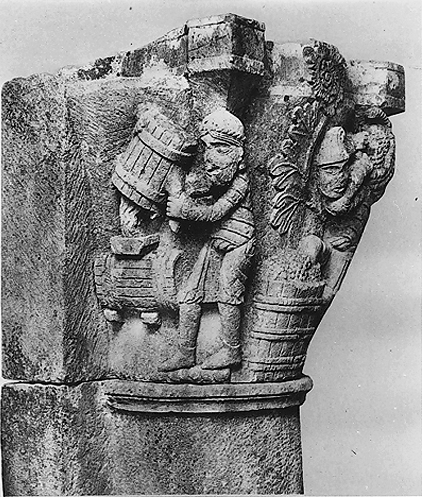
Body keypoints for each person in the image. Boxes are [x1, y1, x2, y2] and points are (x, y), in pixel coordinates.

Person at [161, 109, 255, 371]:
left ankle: (231, 350)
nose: (210, 157)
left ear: (239, 153)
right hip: (217, 242)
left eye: (220, 148)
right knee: (190, 294)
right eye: (207, 148)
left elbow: (216, 213)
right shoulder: (215, 180)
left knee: (228, 291)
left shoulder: (240, 183)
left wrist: (184, 210)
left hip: (239, 244)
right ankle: (185, 353)